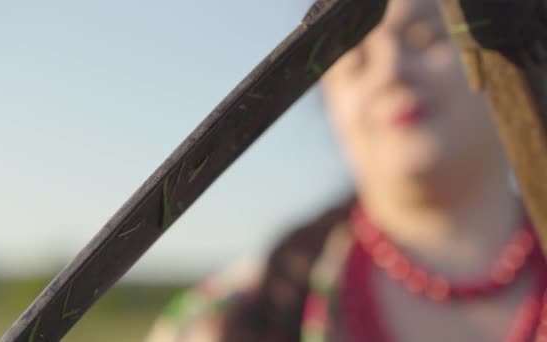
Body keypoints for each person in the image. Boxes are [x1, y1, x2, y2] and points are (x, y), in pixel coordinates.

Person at [145, 0, 547, 340]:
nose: (390, 71)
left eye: (427, 37)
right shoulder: (226, 319)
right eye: (355, 58)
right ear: (328, 104)